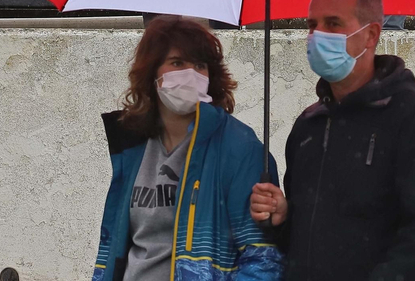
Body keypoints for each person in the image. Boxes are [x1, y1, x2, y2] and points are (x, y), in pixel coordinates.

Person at [248, 0, 415, 280]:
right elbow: (304, 239)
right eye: (312, 25)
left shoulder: (414, 118)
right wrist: (283, 217)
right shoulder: (308, 126)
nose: (318, 35)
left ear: (370, 35)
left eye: (333, 24)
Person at [92, 16, 282, 281]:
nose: (191, 74)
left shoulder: (240, 149)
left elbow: (263, 261)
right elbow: (117, 246)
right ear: (152, 72)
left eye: (200, 65)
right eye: (177, 63)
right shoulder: (133, 147)